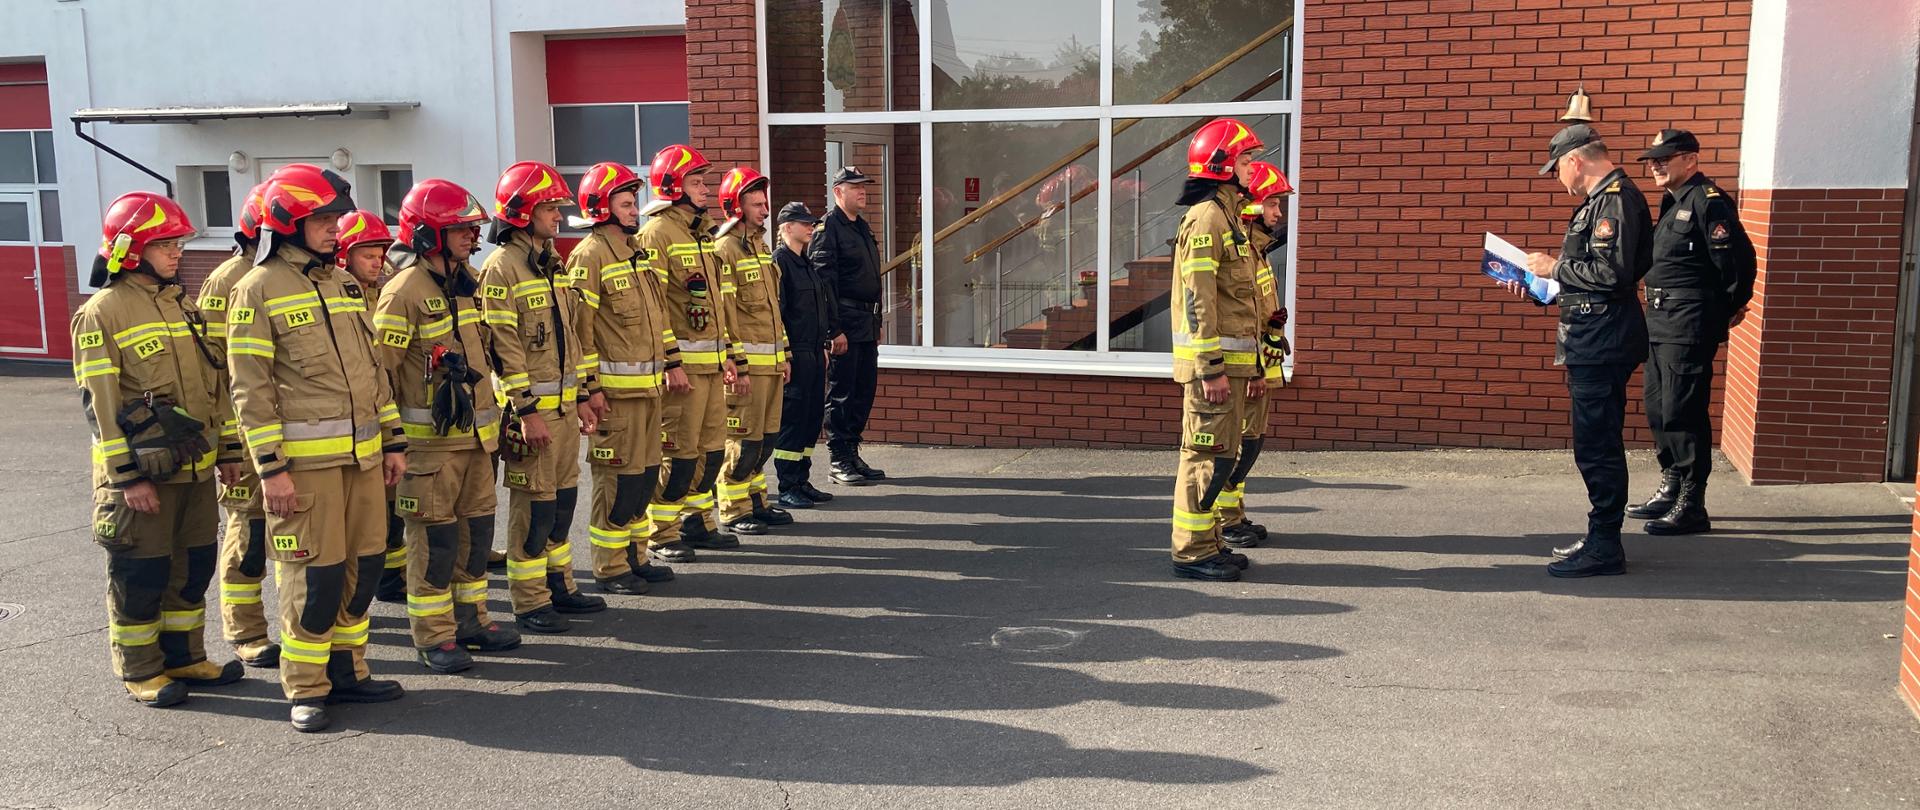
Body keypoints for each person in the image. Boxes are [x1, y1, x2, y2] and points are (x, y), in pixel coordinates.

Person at [226, 164, 407, 731]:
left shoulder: (344, 283)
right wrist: (271, 471)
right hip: (304, 468)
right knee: (314, 578)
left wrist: (393, 440)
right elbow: (249, 390)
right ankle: (307, 686)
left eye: (335, 218)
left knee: (364, 566)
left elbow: (374, 372)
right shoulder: (256, 289)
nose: (335, 229)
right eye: (323, 220)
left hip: (365, 458)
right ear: (287, 224)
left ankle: (349, 670)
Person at [74, 191, 246, 707]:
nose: (177, 253)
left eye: (178, 243)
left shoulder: (181, 306)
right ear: (129, 250)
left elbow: (216, 389)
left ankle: (184, 656)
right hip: (142, 480)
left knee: (192, 568)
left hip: (193, 470)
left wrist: (231, 450)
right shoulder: (101, 313)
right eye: (165, 244)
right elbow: (100, 408)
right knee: (140, 575)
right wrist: (128, 477)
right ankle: (141, 669)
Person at [1514, 125, 1653, 577]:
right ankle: (1601, 534)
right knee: (1595, 441)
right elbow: (1595, 275)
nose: (1558, 179)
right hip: (1595, 335)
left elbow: (1611, 273)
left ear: (1574, 160)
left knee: (1597, 445)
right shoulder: (1605, 200)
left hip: (1602, 339)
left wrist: (1553, 266)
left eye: (1556, 169)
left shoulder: (1614, 200)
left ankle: (1605, 544)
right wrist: (1546, 287)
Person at [479, 161, 604, 632]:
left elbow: (571, 338)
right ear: (522, 212)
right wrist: (524, 410)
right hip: (533, 415)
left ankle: (561, 585)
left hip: (565, 410)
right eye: (549, 207)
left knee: (561, 504)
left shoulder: (551, 263)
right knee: (533, 509)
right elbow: (503, 347)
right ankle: (530, 601)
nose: (557, 216)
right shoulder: (500, 269)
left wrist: (587, 394)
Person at [569, 160, 688, 594]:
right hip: (615, 398)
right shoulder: (589, 256)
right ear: (601, 207)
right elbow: (579, 333)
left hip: (648, 391)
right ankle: (609, 565)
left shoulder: (637, 254)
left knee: (641, 479)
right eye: (624, 202)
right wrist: (590, 390)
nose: (634, 209)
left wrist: (671, 363)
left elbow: (657, 321)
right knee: (616, 483)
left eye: (634, 201)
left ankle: (636, 556)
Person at [1630, 128, 1757, 536]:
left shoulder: (1708, 202)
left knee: (1682, 410)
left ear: (1691, 159)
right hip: (1658, 320)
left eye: (1665, 158)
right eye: (1653, 160)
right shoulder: (1672, 202)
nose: (1656, 165)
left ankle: (1692, 502)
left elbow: (1737, 263)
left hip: (1688, 322)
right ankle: (1670, 485)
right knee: (1657, 407)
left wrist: (1725, 312)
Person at [1167, 118, 1266, 582]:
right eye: (1246, 159)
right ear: (1223, 164)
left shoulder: (1227, 215)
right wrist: (1210, 369)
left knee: (1220, 455)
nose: (1253, 167)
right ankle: (1192, 552)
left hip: (1229, 367)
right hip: (1213, 371)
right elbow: (1198, 299)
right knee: (1205, 457)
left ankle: (1211, 542)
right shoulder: (1207, 218)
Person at [637, 143, 745, 561]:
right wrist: (670, 362)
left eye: (703, 181)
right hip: (682, 370)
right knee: (678, 455)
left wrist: (729, 357)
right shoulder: (657, 234)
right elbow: (655, 305)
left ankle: (698, 521)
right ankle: (662, 533)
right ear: (671, 186)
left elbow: (716, 307)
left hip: (712, 366)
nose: (704, 189)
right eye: (695, 182)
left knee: (710, 450)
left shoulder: (701, 232)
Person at [199, 183, 282, 669]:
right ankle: (246, 631)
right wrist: (230, 443)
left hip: (283, 432)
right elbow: (218, 372)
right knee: (249, 539)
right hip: (243, 435)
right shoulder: (228, 281)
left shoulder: (290, 277)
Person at [332, 210, 413, 606]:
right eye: (367, 253)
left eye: (381, 252)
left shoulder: (380, 294)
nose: (377, 261)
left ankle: (390, 577)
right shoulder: (338, 299)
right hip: (355, 428)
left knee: (390, 512)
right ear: (343, 255)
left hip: (386, 419)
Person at [1217, 161, 1294, 549]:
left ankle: (1235, 514)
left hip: (1261, 369)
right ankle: (1225, 521)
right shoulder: (1245, 253)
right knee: (1240, 446)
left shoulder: (1258, 252)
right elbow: (1242, 319)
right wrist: (1258, 371)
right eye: (1274, 204)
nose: (1279, 213)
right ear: (1251, 207)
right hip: (1250, 373)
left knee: (1251, 443)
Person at [712, 167, 794, 535]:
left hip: (771, 365)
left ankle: (758, 501)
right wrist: (735, 363)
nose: (765, 210)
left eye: (765, 203)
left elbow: (772, 309)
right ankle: (733, 508)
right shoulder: (724, 249)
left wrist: (785, 355)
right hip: (746, 369)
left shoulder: (760, 247)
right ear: (736, 206)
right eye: (756, 204)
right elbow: (725, 313)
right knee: (742, 442)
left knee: (764, 442)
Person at [811, 167, 886, 486]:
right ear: (837, 192)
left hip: (866, 322)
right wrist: (833, 330)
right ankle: (838, 457)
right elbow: (824, 283)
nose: (862, 191)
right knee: (842, 392)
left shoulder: (861, 227)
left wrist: (876, 322)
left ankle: (852, 451)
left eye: (864, 187)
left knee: (863, 390)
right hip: (845, 323)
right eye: (854, 187)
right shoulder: (829, 228)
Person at [770, 202, 838, 508]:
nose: (811, 227)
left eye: (811, 223)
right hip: (795, 354)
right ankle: (787, 485)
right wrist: (785, 354)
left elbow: (817, 310)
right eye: (804, 223)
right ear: (786, 227)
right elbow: (779, 315)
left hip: (813, 351)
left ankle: (802, 479)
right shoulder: (780, 263)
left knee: (811, 419)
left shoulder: (806, 262)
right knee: (793, 420)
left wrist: (823, 345)